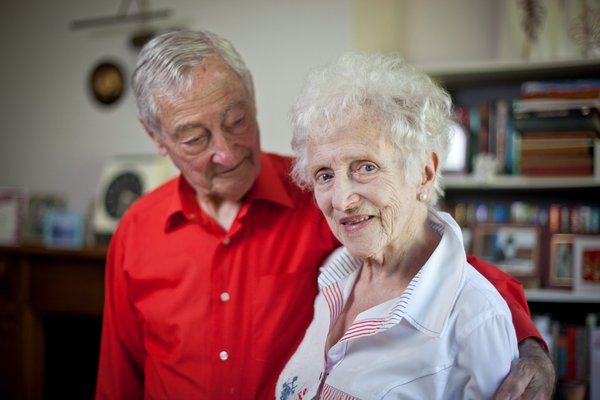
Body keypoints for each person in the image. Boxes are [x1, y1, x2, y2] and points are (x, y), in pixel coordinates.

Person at [95, 29, 554, 400]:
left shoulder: (319, 193)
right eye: (194, 138)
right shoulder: (136, 231)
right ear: (156, 138)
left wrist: (526, 343)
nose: (226, 150)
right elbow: (119, 378)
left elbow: (432, 261)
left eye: (236, 119)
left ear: (252, 94)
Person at [276, 51, 523, 399]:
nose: (342, 200)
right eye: (325, 175)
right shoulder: (333, 276)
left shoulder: (475, 317)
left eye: (366, 167)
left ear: (424, 173)